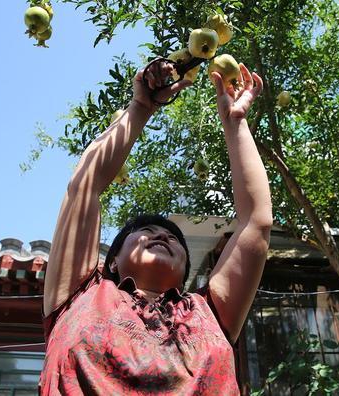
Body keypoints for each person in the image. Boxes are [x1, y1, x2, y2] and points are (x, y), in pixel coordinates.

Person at [39, 59, 273, 395]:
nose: (162, 235)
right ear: (112, 262)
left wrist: (235, 123)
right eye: (145, 231)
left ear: (184, 273)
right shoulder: (78, 295)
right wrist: (140, 107)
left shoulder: (209, 313)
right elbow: (85, 185)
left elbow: (256, 222)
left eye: (173, 239)